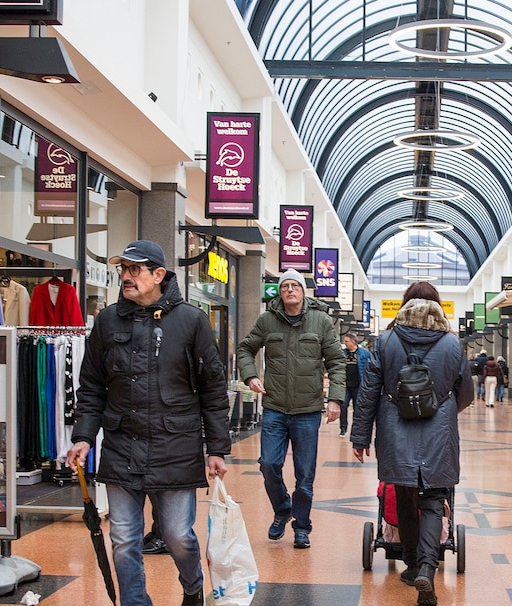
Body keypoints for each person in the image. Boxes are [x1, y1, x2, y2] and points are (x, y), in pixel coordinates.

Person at [66, 239, 230, 606]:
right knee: (124, 537)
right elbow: (91, 386)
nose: (126, 276)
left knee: (177, 535)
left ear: (159, 275)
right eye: (123, 269)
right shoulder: (107, 321)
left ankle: (192, 586)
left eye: (134, 269)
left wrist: (217, 448)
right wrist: (84, 437)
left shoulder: (191, 321)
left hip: (176, 446)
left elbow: (213, 389)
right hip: (123, 444)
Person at [351, 282, 473, 606]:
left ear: (404, 306)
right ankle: (428, 571)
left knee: (404, 493)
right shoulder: (452, 343)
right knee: (434, 498)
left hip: (395, 428)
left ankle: (412, 563)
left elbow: (368, 392)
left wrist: (360, 436)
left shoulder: (386, 340)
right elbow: (467, 392)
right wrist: (443, 408)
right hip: (438, 431)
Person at [237, 268, 344, 550]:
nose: (290, 290)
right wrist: (250, 376)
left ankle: (302, 527)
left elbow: (336, 361)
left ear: (303, 291)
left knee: (304, 474)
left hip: (308, 410)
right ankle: (283, 508)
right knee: (269, 464)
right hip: (274, 407)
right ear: (280, 292)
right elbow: (245, 349)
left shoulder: (321, 321)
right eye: (285, 286)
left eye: (295, 285)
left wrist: (335, 399)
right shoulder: (267, 321)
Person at [340, 333, 370, 437]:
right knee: (343, 406)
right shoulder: (342, 353)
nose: (345, 343)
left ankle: (356, 429)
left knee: (358, 409)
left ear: (353, 342)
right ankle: (343, 428)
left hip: (358, 386)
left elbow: (368, 369)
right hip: (345, 386)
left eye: (346, 341)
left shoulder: (364, 354)